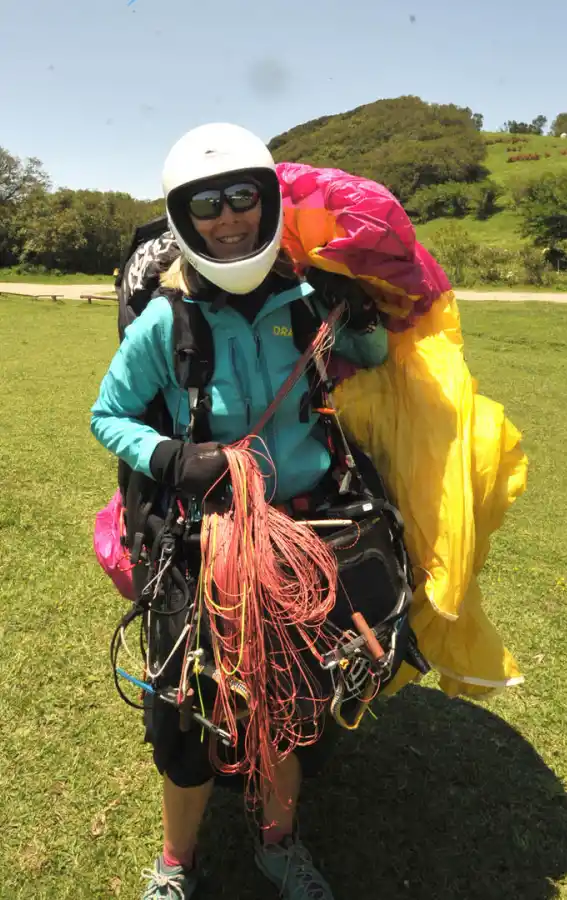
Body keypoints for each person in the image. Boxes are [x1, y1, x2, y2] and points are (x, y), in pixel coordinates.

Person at [90, 122, 389, 900]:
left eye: (242, 199)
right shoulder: (169, 320)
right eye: (207, 206)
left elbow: (377, 358)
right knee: (186, 714)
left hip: (307, 541)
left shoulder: (306, 302)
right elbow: (108, 415)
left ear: (268, 203)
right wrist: (174, 459)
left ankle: (277, 843)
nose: (228, 219)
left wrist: (361, 311)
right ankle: (176, 864)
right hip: (204, 544)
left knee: (296, 701)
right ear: (184, 220)